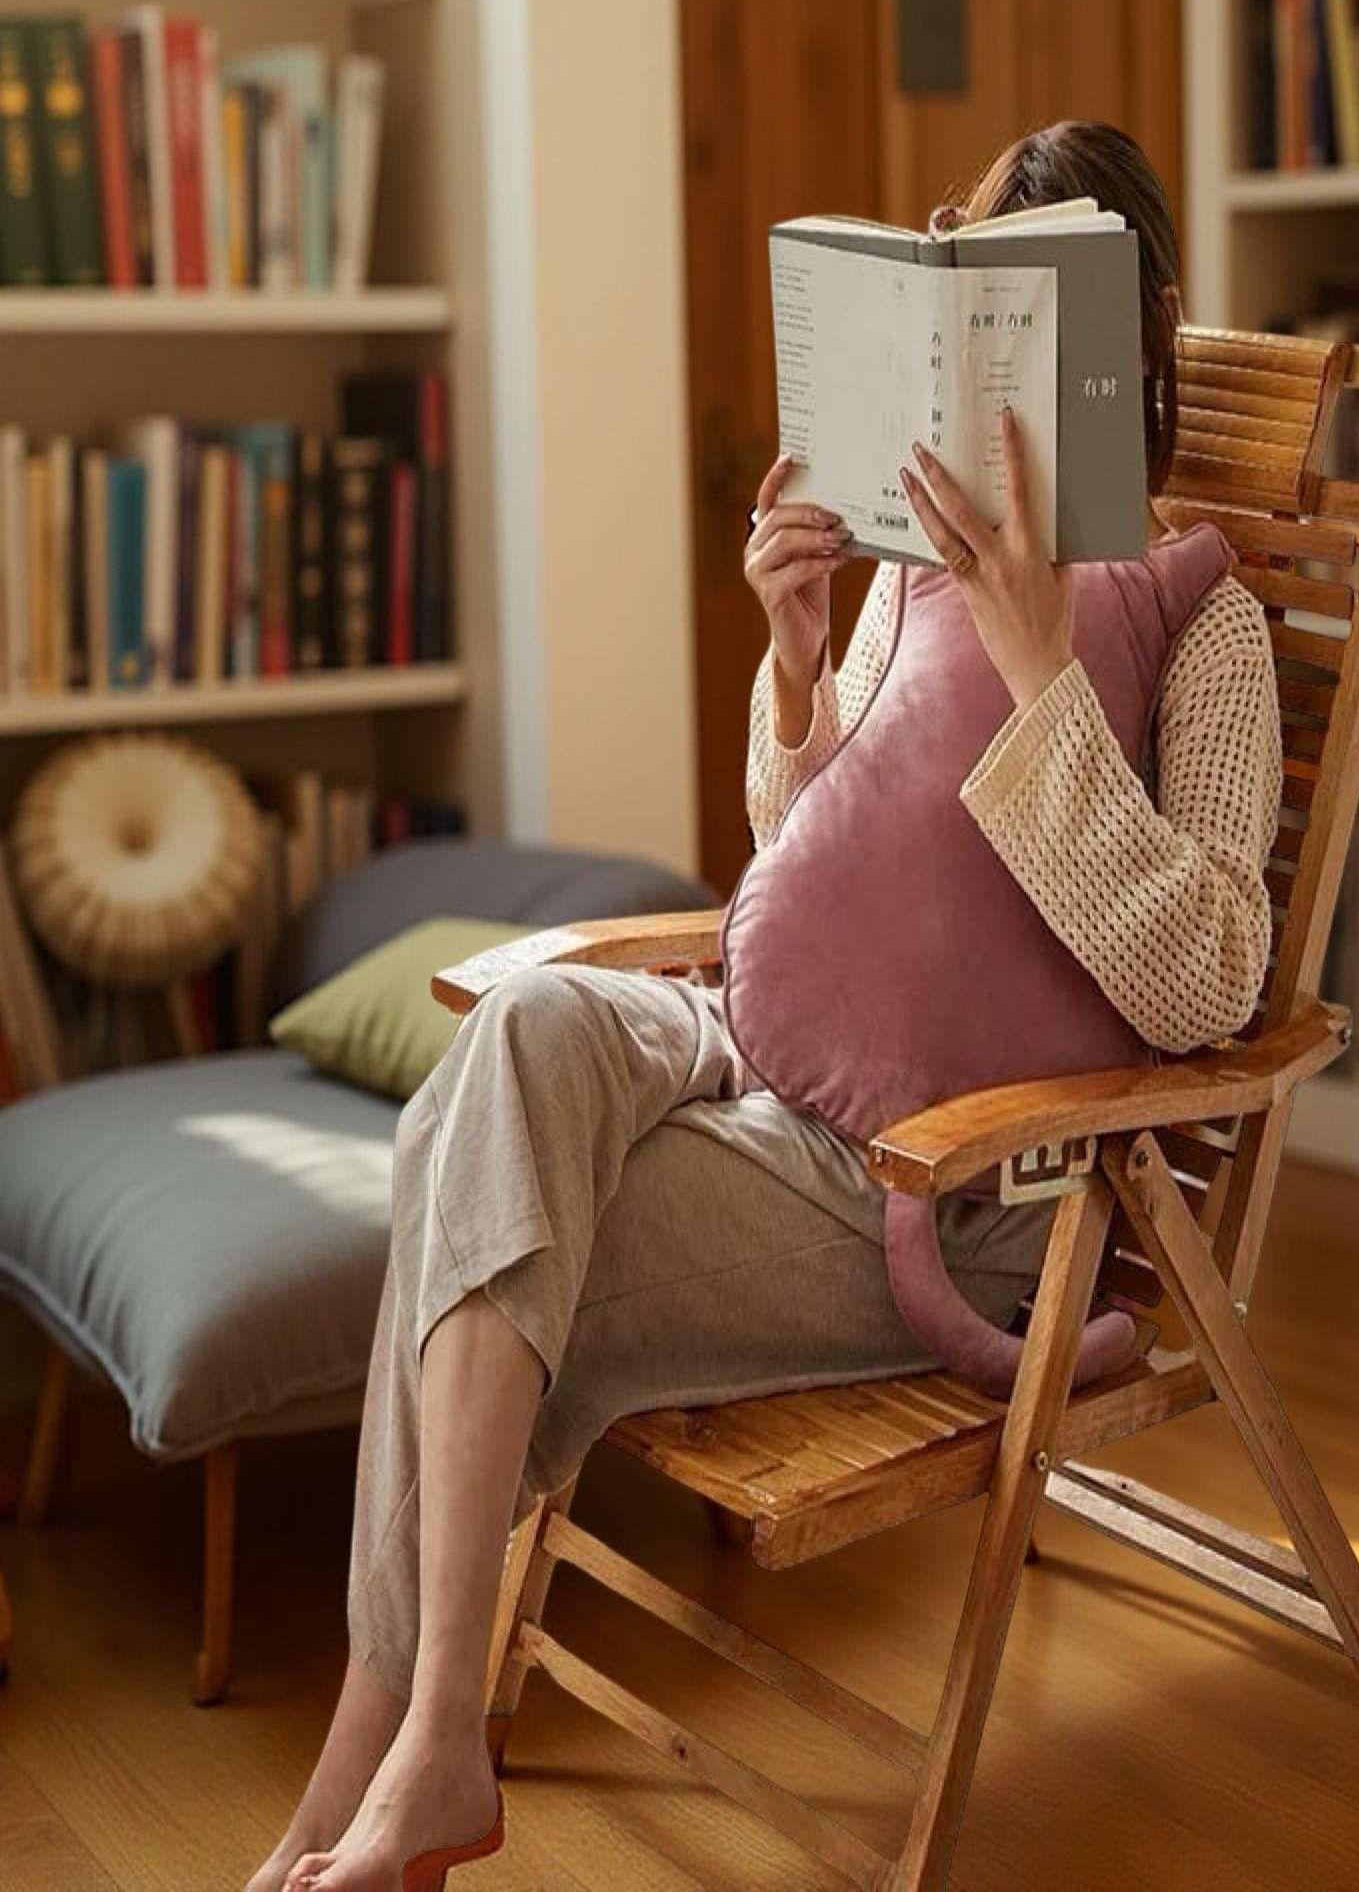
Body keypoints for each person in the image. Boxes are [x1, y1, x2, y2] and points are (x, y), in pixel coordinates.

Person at [249, 119, 1281, 1892]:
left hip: (942, 1195)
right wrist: (800, 661)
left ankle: (393, 1753)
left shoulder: (1212, 633)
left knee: (460, 1184)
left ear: (1133, 341)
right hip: (769, 1061)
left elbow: (1207, 981)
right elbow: (809, 876)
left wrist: (1042, 667)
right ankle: (420, 1749)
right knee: (517, 1042)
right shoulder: (903, 578)